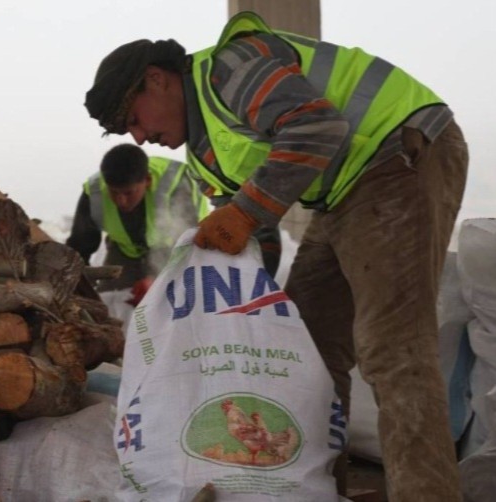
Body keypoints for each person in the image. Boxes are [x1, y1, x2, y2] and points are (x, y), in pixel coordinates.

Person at [84, 11, 467, 502]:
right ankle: (314, 492)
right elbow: (250, 238)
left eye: (134, 120)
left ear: (157, 80)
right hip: (339, 194)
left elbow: (317, 126)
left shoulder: (230, 68)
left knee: (393, 350)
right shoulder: (205, 156)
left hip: (396, 154)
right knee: (306, 349)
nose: (139, 137)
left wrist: (245, 212)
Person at [66, 144, 206, 319]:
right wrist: (74, 283)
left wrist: (157, 278)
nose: (121, 201)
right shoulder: (94, 193)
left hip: (177, 250)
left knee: (172, 304)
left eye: (128, 193)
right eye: (114, 192)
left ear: (147, 180)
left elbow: (188, 244)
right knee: (104, 308)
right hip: (125, 250)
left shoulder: (176, 185)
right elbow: (80, 245)